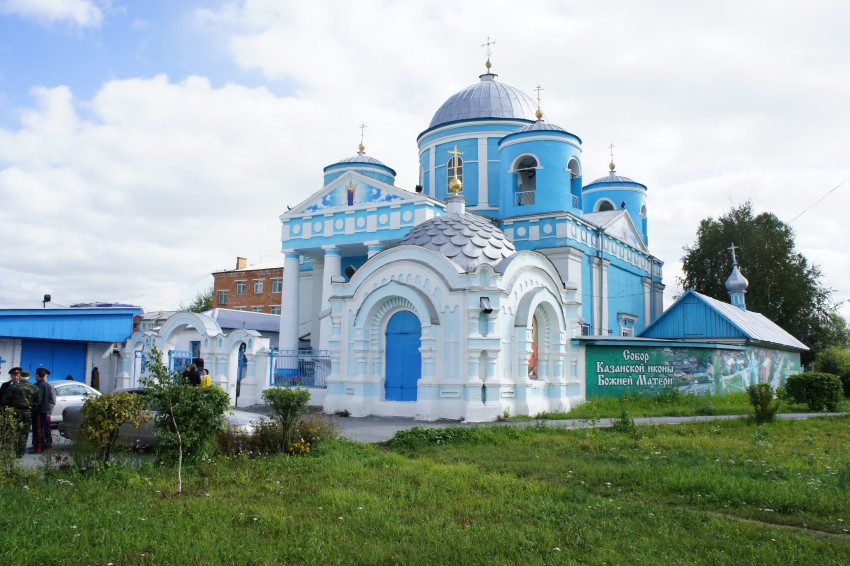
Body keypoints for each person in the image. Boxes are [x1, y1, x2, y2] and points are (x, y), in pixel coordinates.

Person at [2, 368, 38, 458]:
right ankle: (20, 453)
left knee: (12, 430)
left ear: (20, 377)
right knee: (24, 433)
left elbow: (5, 400)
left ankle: (9, 452)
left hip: (14, 412)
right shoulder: (34, 388)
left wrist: (10, 408)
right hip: (27, 413)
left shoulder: (13, 387)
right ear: (29, 377)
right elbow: (37, 403)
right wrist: (30, 409)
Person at [31, 368, 57, 454]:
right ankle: (37, 445)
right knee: (38, 429)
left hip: (39, 411)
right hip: (42, 411)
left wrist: (34, 407)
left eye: (36, 374)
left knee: (39, 430)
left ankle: (39, 447)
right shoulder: (44, 384)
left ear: (38, 375)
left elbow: (39, 399)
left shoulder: (41, 385)